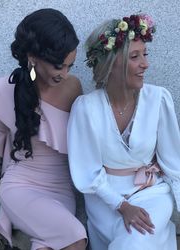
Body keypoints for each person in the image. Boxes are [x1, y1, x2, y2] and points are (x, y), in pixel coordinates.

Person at [67, 14, 180, 250]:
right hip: (104, 198)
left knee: (136, 240)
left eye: (145, 55)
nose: (145, 64)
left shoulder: (158, 99)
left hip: (151, 192)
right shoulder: (86, 109)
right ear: (111, 63)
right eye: (135, 57)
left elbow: (173, 161)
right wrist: (122, 206)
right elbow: (87, 170)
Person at [0, 8, 87, 250]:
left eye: (70, 66)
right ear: (33, 56)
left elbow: (86, 134)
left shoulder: (73, 87)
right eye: (59, 66)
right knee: (76, 238)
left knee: (48, 245)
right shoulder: (7, 89)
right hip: (20, 186)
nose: (65, 73)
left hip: (61, 188)